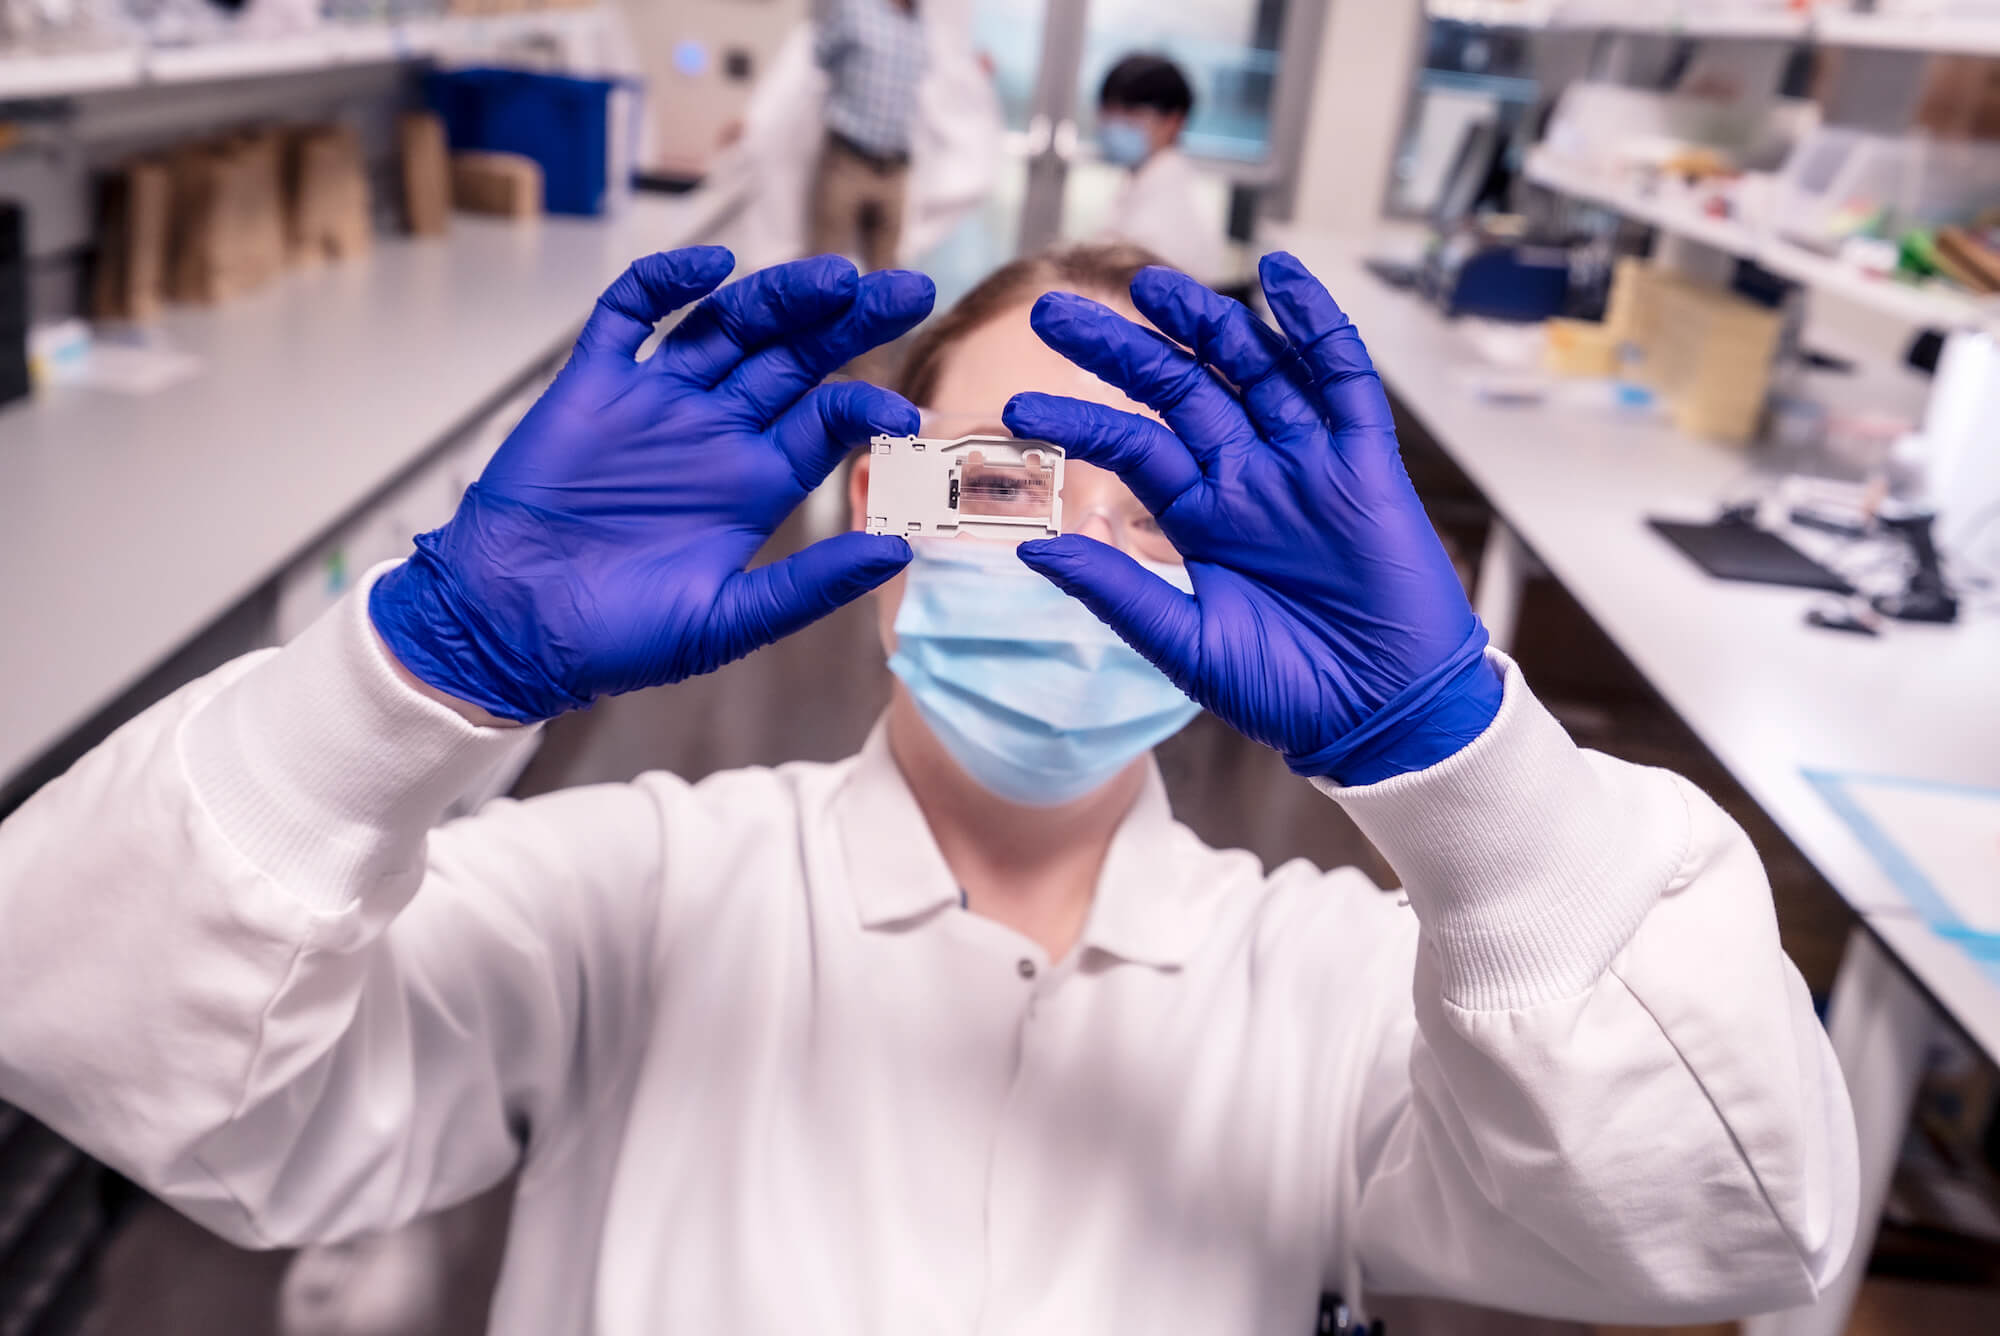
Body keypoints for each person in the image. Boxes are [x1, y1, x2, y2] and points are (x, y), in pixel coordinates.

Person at [0, 242, 1857, 1334]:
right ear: (880, 515)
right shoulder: (624, 895)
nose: (1079, 560)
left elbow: (1736, 1225)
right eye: (1000, 480)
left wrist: (1463, 769)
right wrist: (415, 672)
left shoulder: (1347, 992)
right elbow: (83, 1024)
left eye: (1155, 516)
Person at [809, 0, 927, 272]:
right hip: (847, 162)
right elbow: (813, 62)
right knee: (824, 274)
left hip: (895, 171)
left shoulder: (920, 25)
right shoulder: (855, 9)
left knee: (886, 278)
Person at [1092, 53, 1226, 285]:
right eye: (1109, 112)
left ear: (1173, 121)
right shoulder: (1141, 181)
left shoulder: (1170, 216)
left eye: (1131, 114)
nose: (1115, 123)